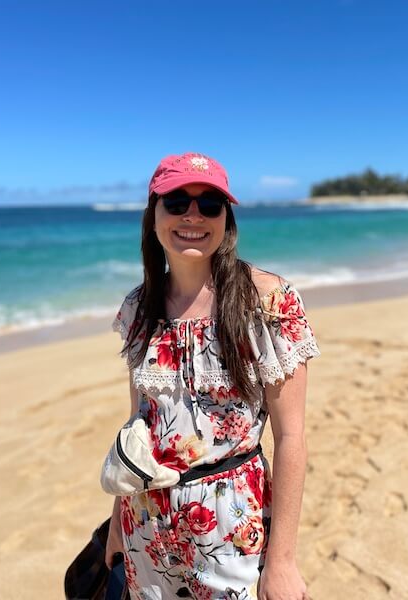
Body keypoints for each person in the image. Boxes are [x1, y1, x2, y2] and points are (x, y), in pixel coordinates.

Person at [104, 152, 320, 600]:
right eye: (177, 201)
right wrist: (116, 523)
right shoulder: (138, 308)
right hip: (145, 525)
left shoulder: (267, 302)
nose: (193, 216)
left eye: (210, 205)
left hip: (231, 527)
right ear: (154, 214)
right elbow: (137, 424)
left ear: (226, 217)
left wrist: (281, 562)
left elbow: (292, 437)